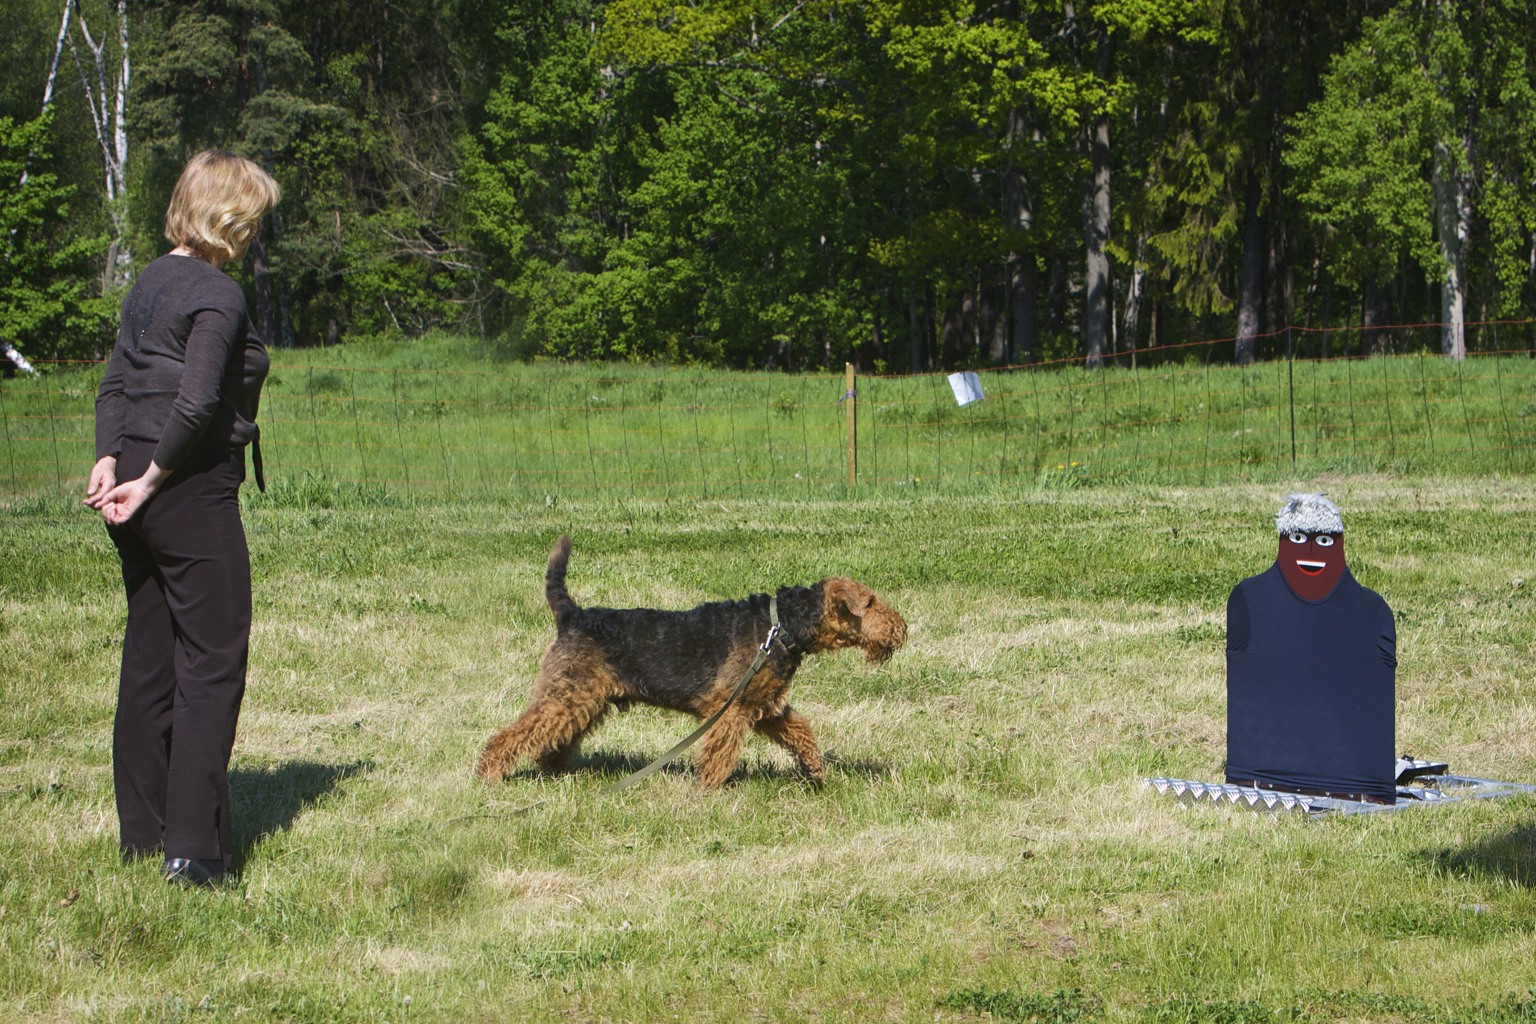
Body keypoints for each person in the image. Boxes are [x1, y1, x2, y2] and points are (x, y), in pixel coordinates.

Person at [84, 150, 280, 886]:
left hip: (135, 480)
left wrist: (112, 463)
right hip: (186, 486)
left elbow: (115, 382)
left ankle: (144, 836)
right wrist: (153, 480)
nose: (254, 232)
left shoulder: (149, 282)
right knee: (212, 663)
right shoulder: (215, 292)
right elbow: (196, 403)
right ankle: (194, 854)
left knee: (150, 660)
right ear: (228, 217)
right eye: (251, 218)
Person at [1224, 493, 1398, 804]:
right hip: (1277, 777)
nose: (1311, 550)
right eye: (1300, 538)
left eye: (1324, 541)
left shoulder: (1249, 599)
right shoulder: (1249, 601)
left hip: (1267, 778)